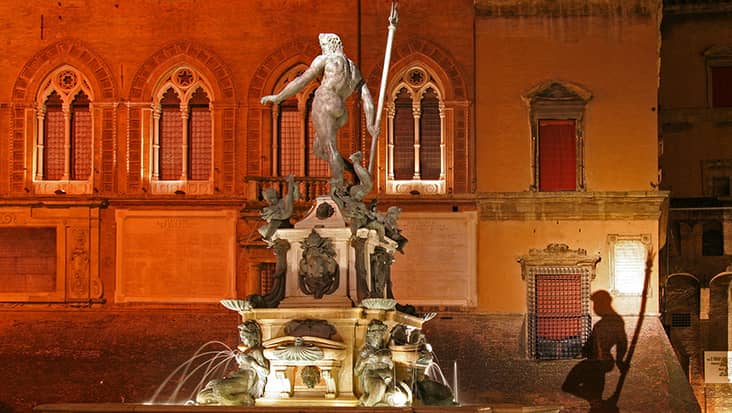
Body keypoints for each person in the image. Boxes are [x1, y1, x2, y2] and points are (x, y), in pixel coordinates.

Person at [261, 33, 380, 191]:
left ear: (329, 45)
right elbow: (368, 100)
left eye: (323, 45)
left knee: (330, 148)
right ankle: (352, 169)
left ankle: (338, 189)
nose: (322, 49)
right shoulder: (353, 69)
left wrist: (279, 97)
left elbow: (302, 80)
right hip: (341, 110)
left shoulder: (326, 59)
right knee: (319, 149)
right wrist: (370, 125)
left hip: (325, 100)